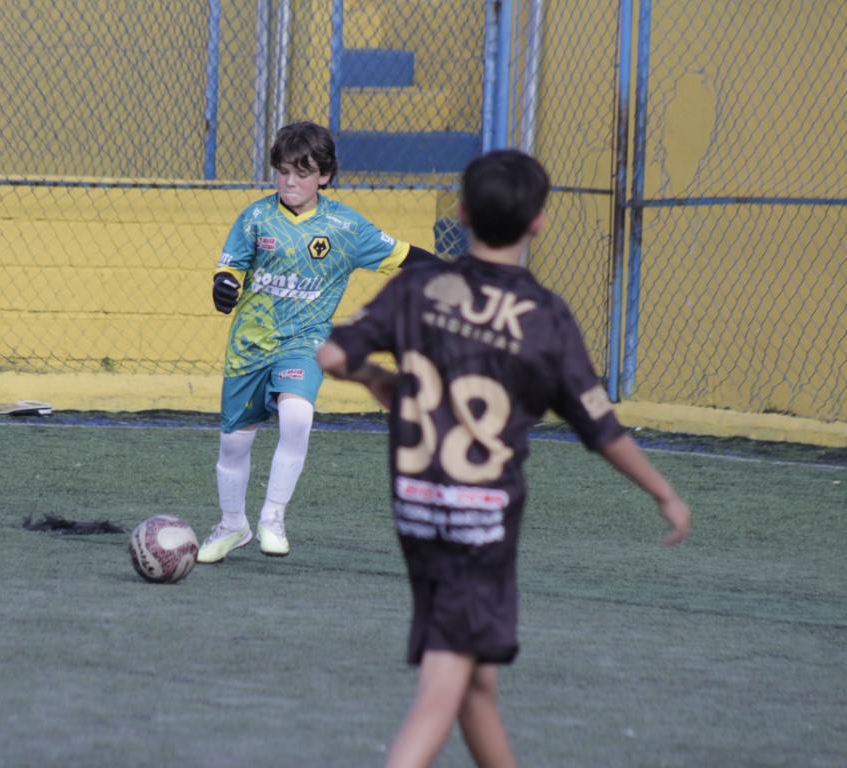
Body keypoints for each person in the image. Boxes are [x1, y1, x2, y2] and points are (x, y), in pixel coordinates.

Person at [316, 149, 691, 768]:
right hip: (481, 525)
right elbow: (601, 429)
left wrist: (381, 381)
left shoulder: (421, 285)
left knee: (475, 679)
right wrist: (664, 492)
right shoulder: (544, 317)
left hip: (417, 510)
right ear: (539, 221)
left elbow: (332, 356)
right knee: (443, 685)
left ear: (461, 213)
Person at [199, 120, 439, 563]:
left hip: (304, 342)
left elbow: (405, 256)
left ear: (325, 176)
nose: (290, 181)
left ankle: (273, 517)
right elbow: (230, 268)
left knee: (297, 417)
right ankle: (233, 525)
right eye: (283, 171)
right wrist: (224, 286)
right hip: (249, 346)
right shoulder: (255, 218)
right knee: (234, 445)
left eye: (303, 173)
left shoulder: (345, 227)